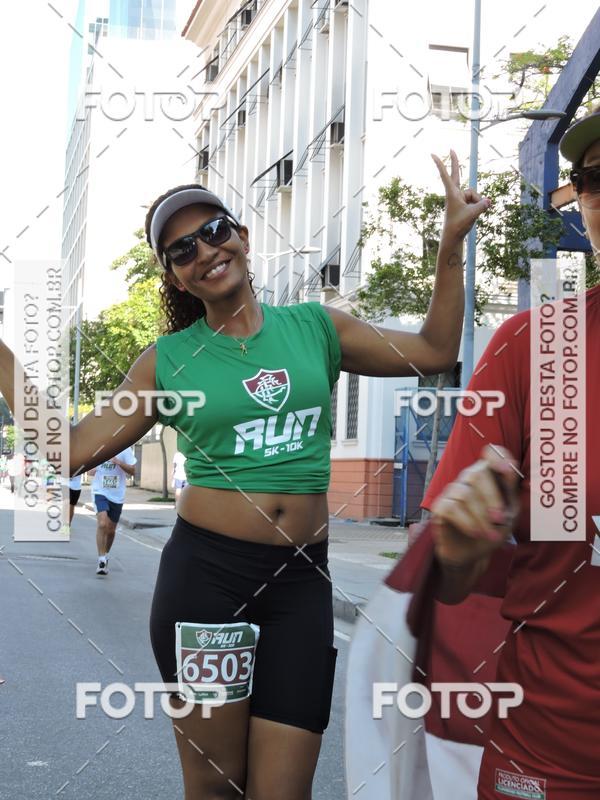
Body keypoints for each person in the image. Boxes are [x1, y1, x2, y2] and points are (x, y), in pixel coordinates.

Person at [0, 151, 489, 799]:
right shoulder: (166, 362)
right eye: (182, 250)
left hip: (301, 585)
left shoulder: (316, 326)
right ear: (175, 278)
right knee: (216, 786)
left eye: (214, 231)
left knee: (284, 792)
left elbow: (434, 350)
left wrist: (451, 243)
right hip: (207, 585)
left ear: (243, 236)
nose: (205, 251)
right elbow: (71, 449)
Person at [424, 104, 600, 798]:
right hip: (550, 750)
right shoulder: (544, 348)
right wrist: (461, 542)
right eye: (595, 179)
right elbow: (454, 578)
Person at [88, 449, 137, 576]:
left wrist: (118, 462)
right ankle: (101, 560)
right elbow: (89, 470)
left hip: (117, 495)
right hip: (100, 491)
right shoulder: (99, 448)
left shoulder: (125, 450)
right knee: (102, 524)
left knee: (111, 530)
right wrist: (92, 470)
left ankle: (105, 555)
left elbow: (133, 471)